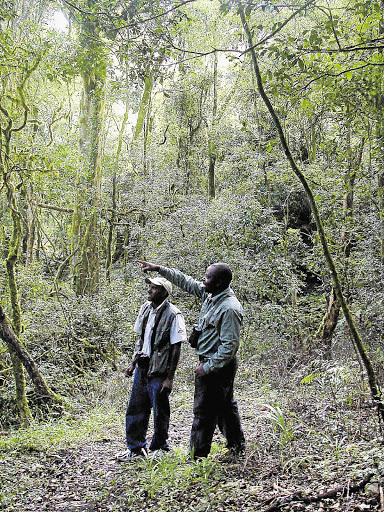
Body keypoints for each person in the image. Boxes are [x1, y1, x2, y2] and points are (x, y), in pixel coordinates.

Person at [137, 260, 246, 459]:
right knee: (225, 408)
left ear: (220, 282)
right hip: (210, 361)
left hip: (217, 366)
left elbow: (230, 346)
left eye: (207, 278)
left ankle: (197, 458)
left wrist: (208, 367)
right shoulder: (210, 295)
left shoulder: (229, 308)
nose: (203, 282)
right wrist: (159, 269)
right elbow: (185, 281)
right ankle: (237, 448)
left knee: (203, 412)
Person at [116, 276, 186, 462]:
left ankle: (159, 448)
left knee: (160, 410)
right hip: (143, 366)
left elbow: (176, 347)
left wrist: (169, 378)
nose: (150, 290)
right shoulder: (145, 309)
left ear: (165, 292)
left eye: (154, 288)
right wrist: (133, 363)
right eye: (150, 287)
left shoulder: (174, 314)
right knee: (135, 407)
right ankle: (136, 449)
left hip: (160, 370)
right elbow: (141, 340)